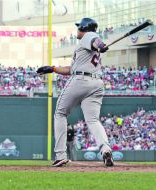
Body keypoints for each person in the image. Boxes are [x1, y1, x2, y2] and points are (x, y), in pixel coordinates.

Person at [37, 18, 114, 167]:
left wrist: (101, 45)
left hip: (81, 81)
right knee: (93, 120)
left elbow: (96, 41)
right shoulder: (86, 45)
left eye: (79, 27)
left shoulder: (88, 36)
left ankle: (60, 155)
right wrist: (52, 69)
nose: (77, 30)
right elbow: (71, 70)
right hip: (96, 83)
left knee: (60, 114)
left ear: (84, 27)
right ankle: (105, 149)